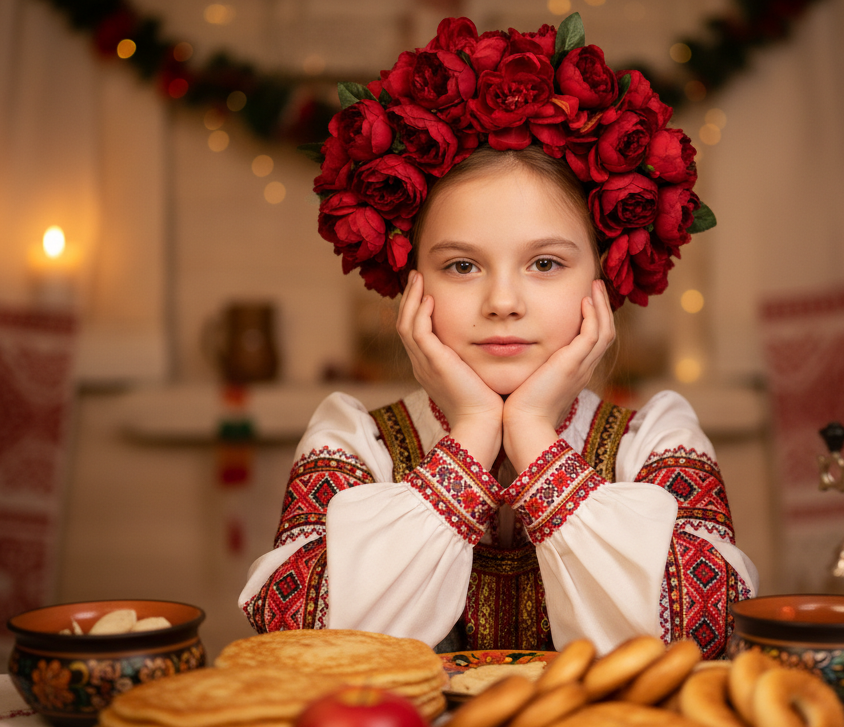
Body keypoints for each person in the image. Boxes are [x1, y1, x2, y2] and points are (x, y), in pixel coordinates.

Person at [239, 14, 757, 659]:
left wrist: (537, 434)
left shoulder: (652, 444)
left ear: (603, 277)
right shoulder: (357, 444)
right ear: (411, 282)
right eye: (462, 265)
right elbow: (301, 643)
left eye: (545, 264)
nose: (503, 302)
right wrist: (475, 429)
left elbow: (703, 635)